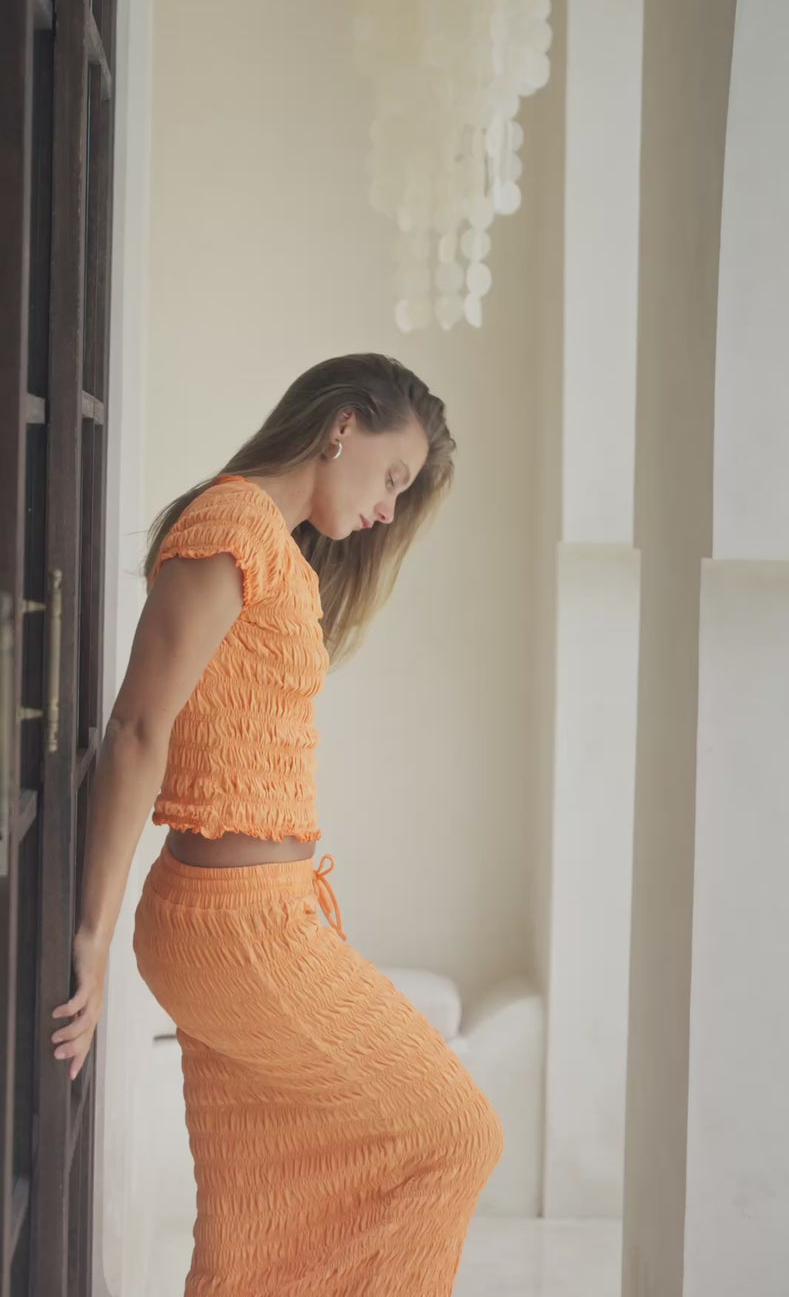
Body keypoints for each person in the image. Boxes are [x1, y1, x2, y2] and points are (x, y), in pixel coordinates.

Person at [50, 352, 505, 1294]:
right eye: (392, 477)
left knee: (254, 1221)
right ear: (344, 423)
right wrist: (90, 937)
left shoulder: (271, 541)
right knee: (457, 1133)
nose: (387, 509)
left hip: (259, 916)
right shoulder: (231, 525)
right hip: (236, 927)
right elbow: (138, 726)